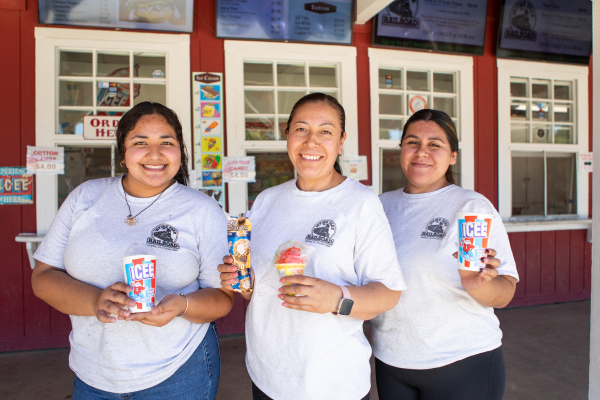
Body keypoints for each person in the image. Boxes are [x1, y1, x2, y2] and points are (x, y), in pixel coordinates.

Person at [31, 102, 234, 399]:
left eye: (167, 142)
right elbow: (43, 277)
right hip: (94, 372)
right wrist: (95, 301)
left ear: (181, 152)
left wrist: (181, 305)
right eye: (140, 143)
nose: (155, 154)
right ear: (122, 154)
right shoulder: (85, 197)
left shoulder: (203, 210)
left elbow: (222, 299)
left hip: (179, 370)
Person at [218, 93, 406, 400]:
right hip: (267, 375)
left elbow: (388, 293)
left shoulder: (360, 203)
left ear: (341, 141)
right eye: (301, 129)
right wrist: (241, 280)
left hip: (331, 383)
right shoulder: (267, 200)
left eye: (325, 132)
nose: (311, 142)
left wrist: (337, 299)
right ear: (287, 135)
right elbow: (258, 291)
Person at [373, 109, 519, 400]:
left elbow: (504, 294)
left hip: (463, 361)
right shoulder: (379, 207)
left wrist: (482, 285)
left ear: (453, 155)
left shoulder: (470, 207)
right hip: (391, 359)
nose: (421, 152)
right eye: (412, 142)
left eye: (435, 144)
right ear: (401, 149)